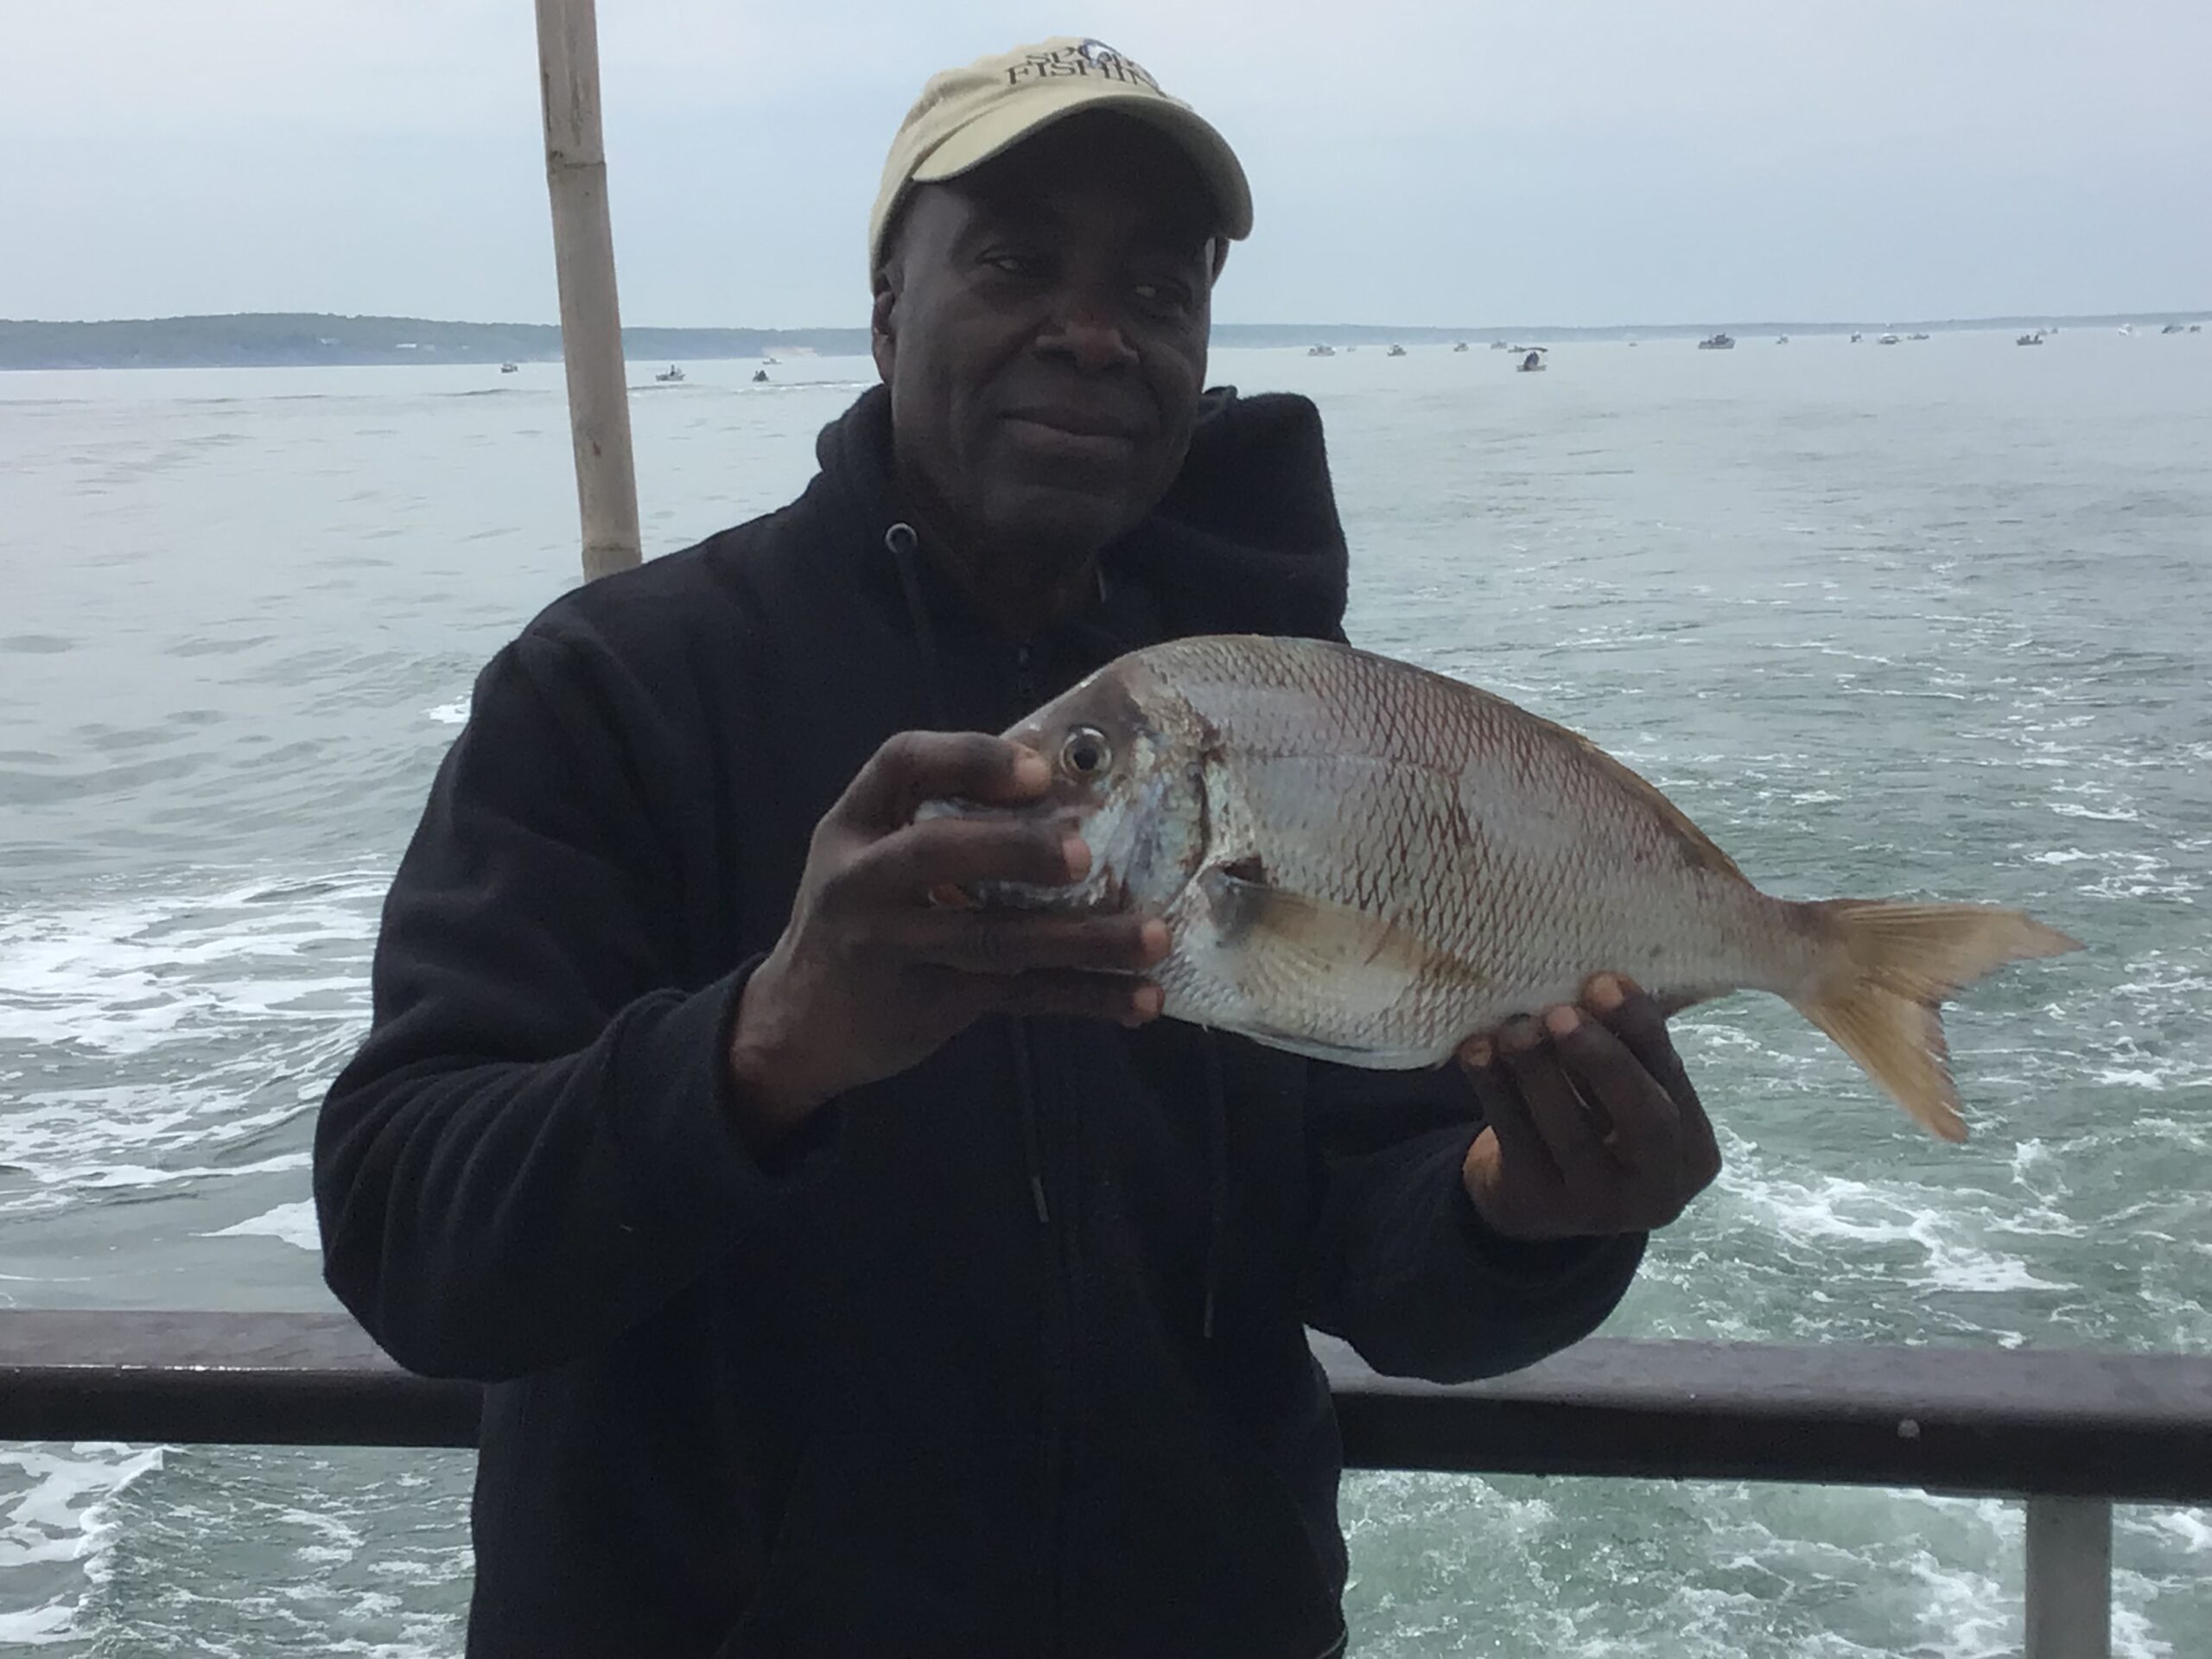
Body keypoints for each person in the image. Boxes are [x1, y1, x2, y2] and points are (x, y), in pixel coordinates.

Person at [315, 36, 1721, 1659]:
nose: (1094, 331)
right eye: (1014, 263)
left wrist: (1528, 1213)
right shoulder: (618, 689)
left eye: (1158, 289)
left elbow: (1378, 1256)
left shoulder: (1281, 730)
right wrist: (764, 1047)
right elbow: (407, 1239)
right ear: (886, 307)